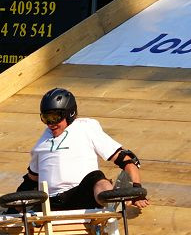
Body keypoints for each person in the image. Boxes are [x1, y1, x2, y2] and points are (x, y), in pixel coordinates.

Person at [13, 87, 149, 211]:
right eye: (46, 118)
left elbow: (126, 160)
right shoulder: (41, 144)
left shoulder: (86, 128)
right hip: (49, 203)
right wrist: (14, 206)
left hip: (81, 196)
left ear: (69, 114)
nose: (50, 124)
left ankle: (111, 201)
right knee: (33, 195)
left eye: (55, 117)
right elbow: (31, 180)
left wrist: (137, 190)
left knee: (96, 177)